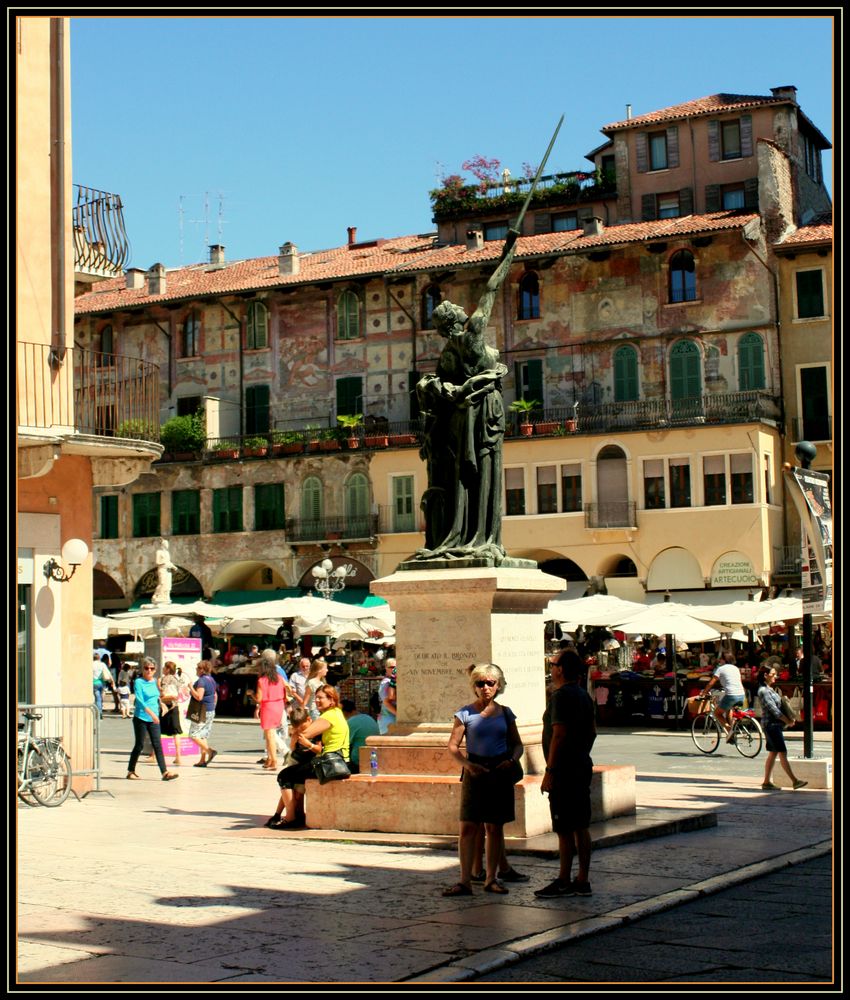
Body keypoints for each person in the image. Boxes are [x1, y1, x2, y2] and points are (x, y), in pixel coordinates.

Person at [414, 229, 520, 565]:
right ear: (456, 320)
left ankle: (467, 534)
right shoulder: (473, 335)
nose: (461, 307)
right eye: (455, 307)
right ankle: (483, 537)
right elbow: (491, 289)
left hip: (461, 421)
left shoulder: (446, 355)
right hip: (484, 413)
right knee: (484, 471)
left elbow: (439, 393)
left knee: (466, 473)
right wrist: (508, 253)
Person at [442, 663, 523, 897]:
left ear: (498, 686)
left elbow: (517, 743)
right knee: (468, 826)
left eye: (490, 683)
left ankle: (491, 878)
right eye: (480, 683)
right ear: (474, 686)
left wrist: (512, 759)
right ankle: (465, 880)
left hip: (499, 769)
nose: (486, 688)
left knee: (495, 827)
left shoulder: (505, 713)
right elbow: (453, 746)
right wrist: (468, 766)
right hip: (475, 771)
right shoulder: (465, 713)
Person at [535, 653, 596, 898]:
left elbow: (558, 734)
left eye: (553, 664)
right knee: (581, 825)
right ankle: (582, 879)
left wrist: (550, 770)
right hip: (581, 764)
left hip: (564, 769)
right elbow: (592, 732)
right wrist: (581, 752)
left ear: (561, 670)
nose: (551, 667)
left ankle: (563, 879)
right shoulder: (583, 694)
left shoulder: (560, 696)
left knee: (563, 827)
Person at [269, 684, 350, 830]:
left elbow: (304, 735)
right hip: (340, 760)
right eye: (316, 698)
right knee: (297, 774)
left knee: (284, 775)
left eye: (320, 698)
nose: (317, 701)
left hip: (328, 763)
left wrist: (294, 732)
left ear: (331, 699)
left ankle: (291, 817)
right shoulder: (338, 712)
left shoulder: (328, 716)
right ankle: (297, 814)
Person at [126, 658, 179, 782]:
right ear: (143, 669)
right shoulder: (139, 682)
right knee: (139, 745)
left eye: (152, 668)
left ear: (155, 670)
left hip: (154, 717)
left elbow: (156, 697)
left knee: (157, 744)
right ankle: (131, 771)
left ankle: (164, 772)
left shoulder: (155, 681)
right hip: (141, 717)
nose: (149, 670)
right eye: (146, 668)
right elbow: (139, 700)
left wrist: (163, 704)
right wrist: (152, 714)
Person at [756, 666, 808, 791]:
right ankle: (795, 781)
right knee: (782, 752)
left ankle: (766, 782)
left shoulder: (769, 689)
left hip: (773, 725)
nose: (775, 676)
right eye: (773, 674)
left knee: (773, 753)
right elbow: (774, 711)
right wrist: (788, 721)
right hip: (771, 725)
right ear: (765, 675)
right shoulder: (763, 691)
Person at [253, 649, 289, 770]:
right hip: (279, 705)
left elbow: (259, 698)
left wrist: (250, 694)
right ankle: (269, 759)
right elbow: (287, 689)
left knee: (270, 735)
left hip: (268, 706)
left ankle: (273, 760)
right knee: (271, 733)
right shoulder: (279, 678)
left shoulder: (261, 681)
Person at [701, 651, 746, 742]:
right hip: (741, 694)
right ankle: (731, 732)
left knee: (717, 713)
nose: (719, 661)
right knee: (729, 709)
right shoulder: (736, 668)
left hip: (731, 695)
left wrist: (704, 692)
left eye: (720, 659)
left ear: (723, 660)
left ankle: (730, 731)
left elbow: (711, 682)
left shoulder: (721, 669)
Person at [187, 660, 218, 767]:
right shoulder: (211, 680)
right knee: (203, 735)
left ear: (202, 670)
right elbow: (215, 695)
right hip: (210, 710)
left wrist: (191, 687)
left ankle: (210, 751)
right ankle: (202, 760)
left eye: (197, 668)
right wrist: (213, 706)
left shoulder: (202, 681)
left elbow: (199, 697)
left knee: (193, 735)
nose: (196, 669)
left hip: (201, 710)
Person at [158, 661, 185, 767]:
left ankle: (154, 755)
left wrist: (159, 686)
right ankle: (178, 756)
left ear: (168, 669)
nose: (163, 669)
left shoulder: (166, 678)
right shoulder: (177, 679)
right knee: (176, 732)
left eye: (164, 667)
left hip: (166, 706)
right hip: (175, 706)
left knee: (158, 731)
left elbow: (163, 693)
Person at [341, 699, 379, 773]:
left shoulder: (350, 722)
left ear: (343, 713)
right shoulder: (368, 717)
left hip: (357, 762)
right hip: (374, 759)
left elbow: (342, 744)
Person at [151, 538, 176, 605]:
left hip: (168, 570)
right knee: (161, 583)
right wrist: (165, 563)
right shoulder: (159, 552)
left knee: (168, 585)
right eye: (166, 544)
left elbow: (169, 562)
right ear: (163, 544)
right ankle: (156, 595)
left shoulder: (167, 553)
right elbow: (157, 562)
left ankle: (165, 596)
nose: (167, 545)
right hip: (162, 569)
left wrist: (173, 566)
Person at [92, 652, 116, 720]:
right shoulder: (102, 664)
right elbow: (108, 672)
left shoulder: (91, 664)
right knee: (100, 698)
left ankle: (97, 713)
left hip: (94, 683)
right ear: (99, 658)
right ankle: (100, 713)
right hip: (101, 683)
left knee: (97, 698)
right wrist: (112, 682)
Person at [377, 658, 397, 734]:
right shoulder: (385, 683)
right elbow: (387, 703)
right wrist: (399, 715)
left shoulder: (394, 681)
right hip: (388, 720)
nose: (394, 669)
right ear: (386, 668)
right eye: (391, 667)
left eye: (396, 667)